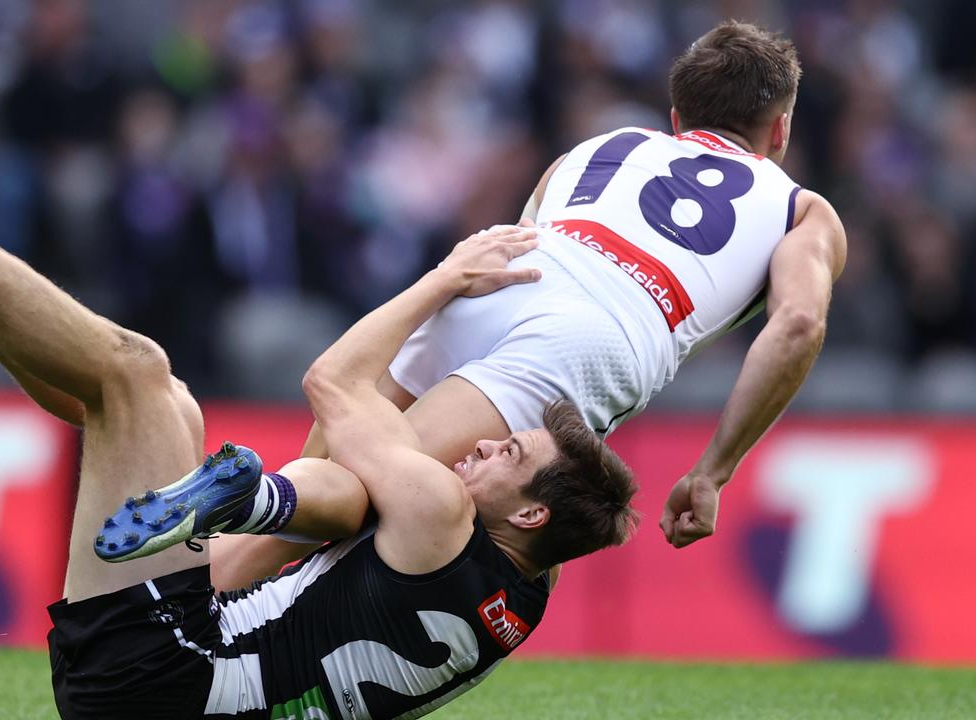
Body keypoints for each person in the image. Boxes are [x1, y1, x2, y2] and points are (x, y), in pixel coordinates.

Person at [0, 36, 638, 719]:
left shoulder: (441, 512)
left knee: (137, 375)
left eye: (509, 456)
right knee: (154, 413)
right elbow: (571, 519)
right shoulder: (525, 593)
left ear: (530, 510)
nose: (486, 444)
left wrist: (446, 277)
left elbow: (331, 382)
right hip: (162, 673)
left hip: (162, 669)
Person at [276, 19, 847, 561]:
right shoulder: (803, 212)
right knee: (385, 492)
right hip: (588, 337)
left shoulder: (605, 144)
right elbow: (798, 323)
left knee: (301, 508)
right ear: (781, 129)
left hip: (496, 286)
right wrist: (711, 471)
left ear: (677, 118)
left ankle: (205, 569)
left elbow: (519, 240)